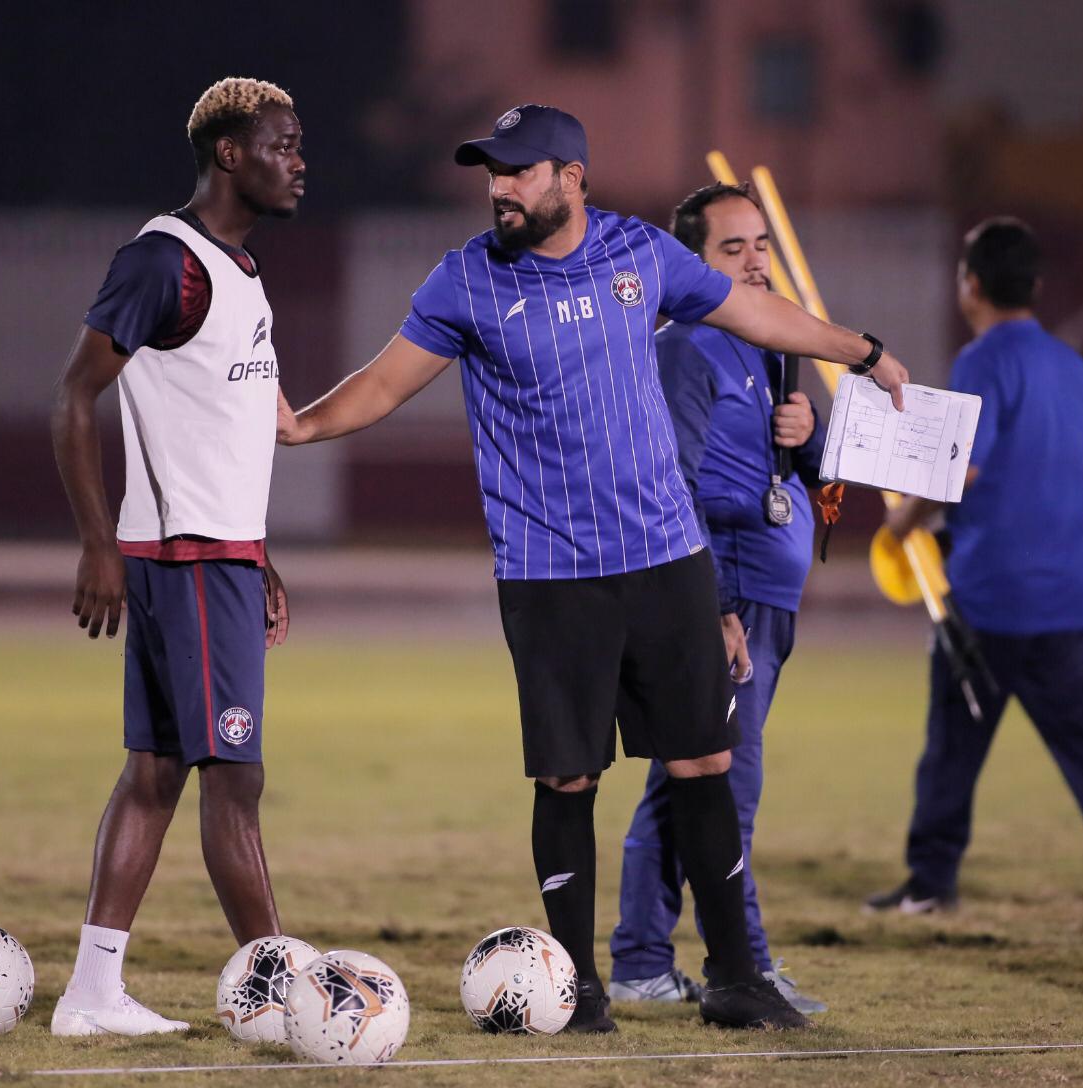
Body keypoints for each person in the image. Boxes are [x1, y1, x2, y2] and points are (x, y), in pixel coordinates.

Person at [278, 104, 910, 1031]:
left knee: (705, 760)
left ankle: (735, 979)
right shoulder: (464, 282)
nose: (499, 187)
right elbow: (380, 383)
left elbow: (758, 312)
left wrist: (865, 351)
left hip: (668, 557)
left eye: (519, 171)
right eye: (492, 172)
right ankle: (579, 990)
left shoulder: (640, 253)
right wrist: (298, 427)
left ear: (571, 177)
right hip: (551, 572)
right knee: (569, 779)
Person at [49, 77, 305, 1035]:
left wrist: (262, 557)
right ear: (230, 154)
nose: (299, 160)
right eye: (282, 144)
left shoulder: (236, 269)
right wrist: (95, 546)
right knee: (233, 783)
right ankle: (285, 996)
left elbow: (223, 433)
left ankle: (92, 991)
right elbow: (74, 397)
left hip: (220, 552)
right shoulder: (167, 262)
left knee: (154, 773)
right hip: (188, 561)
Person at [865, 217, 1083, 921]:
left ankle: (932, 881)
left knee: (953, 746)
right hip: (1070, 595)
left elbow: (962, 468)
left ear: (970, 285)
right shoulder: (1072, 366)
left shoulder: (981, 361)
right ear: (1034, 284)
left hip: (990, 596)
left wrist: (903, 520)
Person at [609, 182, 828, 1015]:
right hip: (726, 594)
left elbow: (804, 478)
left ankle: (639, 962)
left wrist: (808, 438)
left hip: (766, 594)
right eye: (733, 249)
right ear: (692, 267)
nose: (755, 262)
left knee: (686, 778)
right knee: (722, 782)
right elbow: (675, 486)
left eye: (762, 245)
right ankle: (747, 966)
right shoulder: (685, 347)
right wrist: (712, 606)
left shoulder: (770, 346)